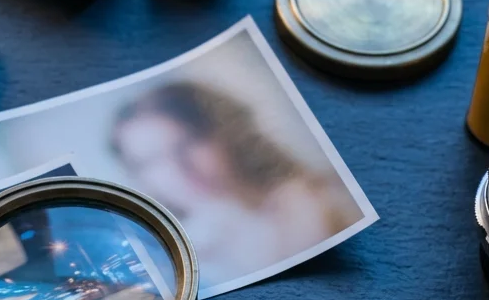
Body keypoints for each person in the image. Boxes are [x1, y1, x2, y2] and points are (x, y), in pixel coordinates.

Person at [108, 81, 362, 283]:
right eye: (151, 161)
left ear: (225, 133)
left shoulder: (320, 198)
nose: (179, 169)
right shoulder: (180, 258)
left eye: (187, 143)